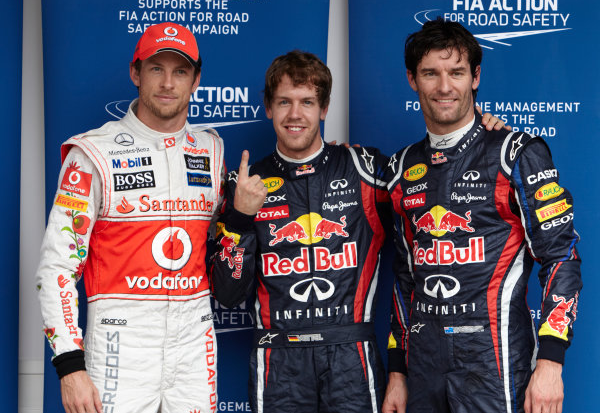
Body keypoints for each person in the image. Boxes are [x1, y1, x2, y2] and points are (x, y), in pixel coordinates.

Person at [210, 50, 505, 413]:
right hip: (278, 361)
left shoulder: (368, 171)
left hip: (351, 359)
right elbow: (226, 293)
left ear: (325, 108)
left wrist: (478, 134)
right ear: (268, 108)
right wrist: (239, 218)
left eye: (307, 101)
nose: (295, 114)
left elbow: (434, 180)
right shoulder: (246, 184)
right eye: (284, 102)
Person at [382, 18, 582, 413]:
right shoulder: (399, 169)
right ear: (411, 80)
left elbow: (562, 257)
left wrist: (551, 362)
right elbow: (406, 278)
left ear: (475, 77)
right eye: (430, 73)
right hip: (423, 368)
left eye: (456, 72)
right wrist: (397, 372)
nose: (444, 87)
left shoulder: (515, 154)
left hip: (496, 364)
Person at [36, 22, 225, 413]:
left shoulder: (212, 150)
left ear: (196, 80)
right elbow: (57, 265)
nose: (168, 83)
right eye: (156, 68)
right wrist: (69, 365)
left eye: (180, 71)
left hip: (194, 344)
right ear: (135, 73)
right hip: (120, 344)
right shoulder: (92, 154)